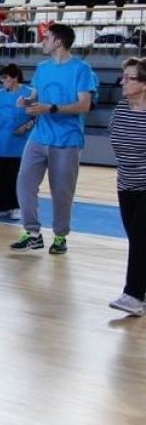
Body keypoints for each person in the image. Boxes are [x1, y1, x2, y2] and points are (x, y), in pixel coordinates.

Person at [11, 23, 97, 255]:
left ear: (58, 42)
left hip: (67, 140)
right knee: (24, 184)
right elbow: (34, 97)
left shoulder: (81, 69)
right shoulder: (42, 68)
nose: (42, 41)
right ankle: (32, 233)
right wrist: (26, 103)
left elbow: (84, 105)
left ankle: (60, 237)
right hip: (39, 137)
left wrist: (52, 108)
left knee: (61, 192)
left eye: (46, 38)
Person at [109, 57, 146, 316]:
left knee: (140, 238)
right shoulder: (121, 109)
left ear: (144, 84)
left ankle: (133, 295)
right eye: (123, 77)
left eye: (130, 78)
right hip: (126, 183)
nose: (123, 82)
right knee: (137, 239)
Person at [0, 64, 33, 221]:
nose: (3, 81)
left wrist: (27, 126)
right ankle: (3, 206)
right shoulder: (0, 94)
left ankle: (16, 206)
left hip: (20, 142)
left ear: (15, 78)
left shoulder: (29, 93)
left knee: (17, 175)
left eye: (6, 78)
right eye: (2, 78)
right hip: (1, 141)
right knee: (1, 175)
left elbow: (37, 116)